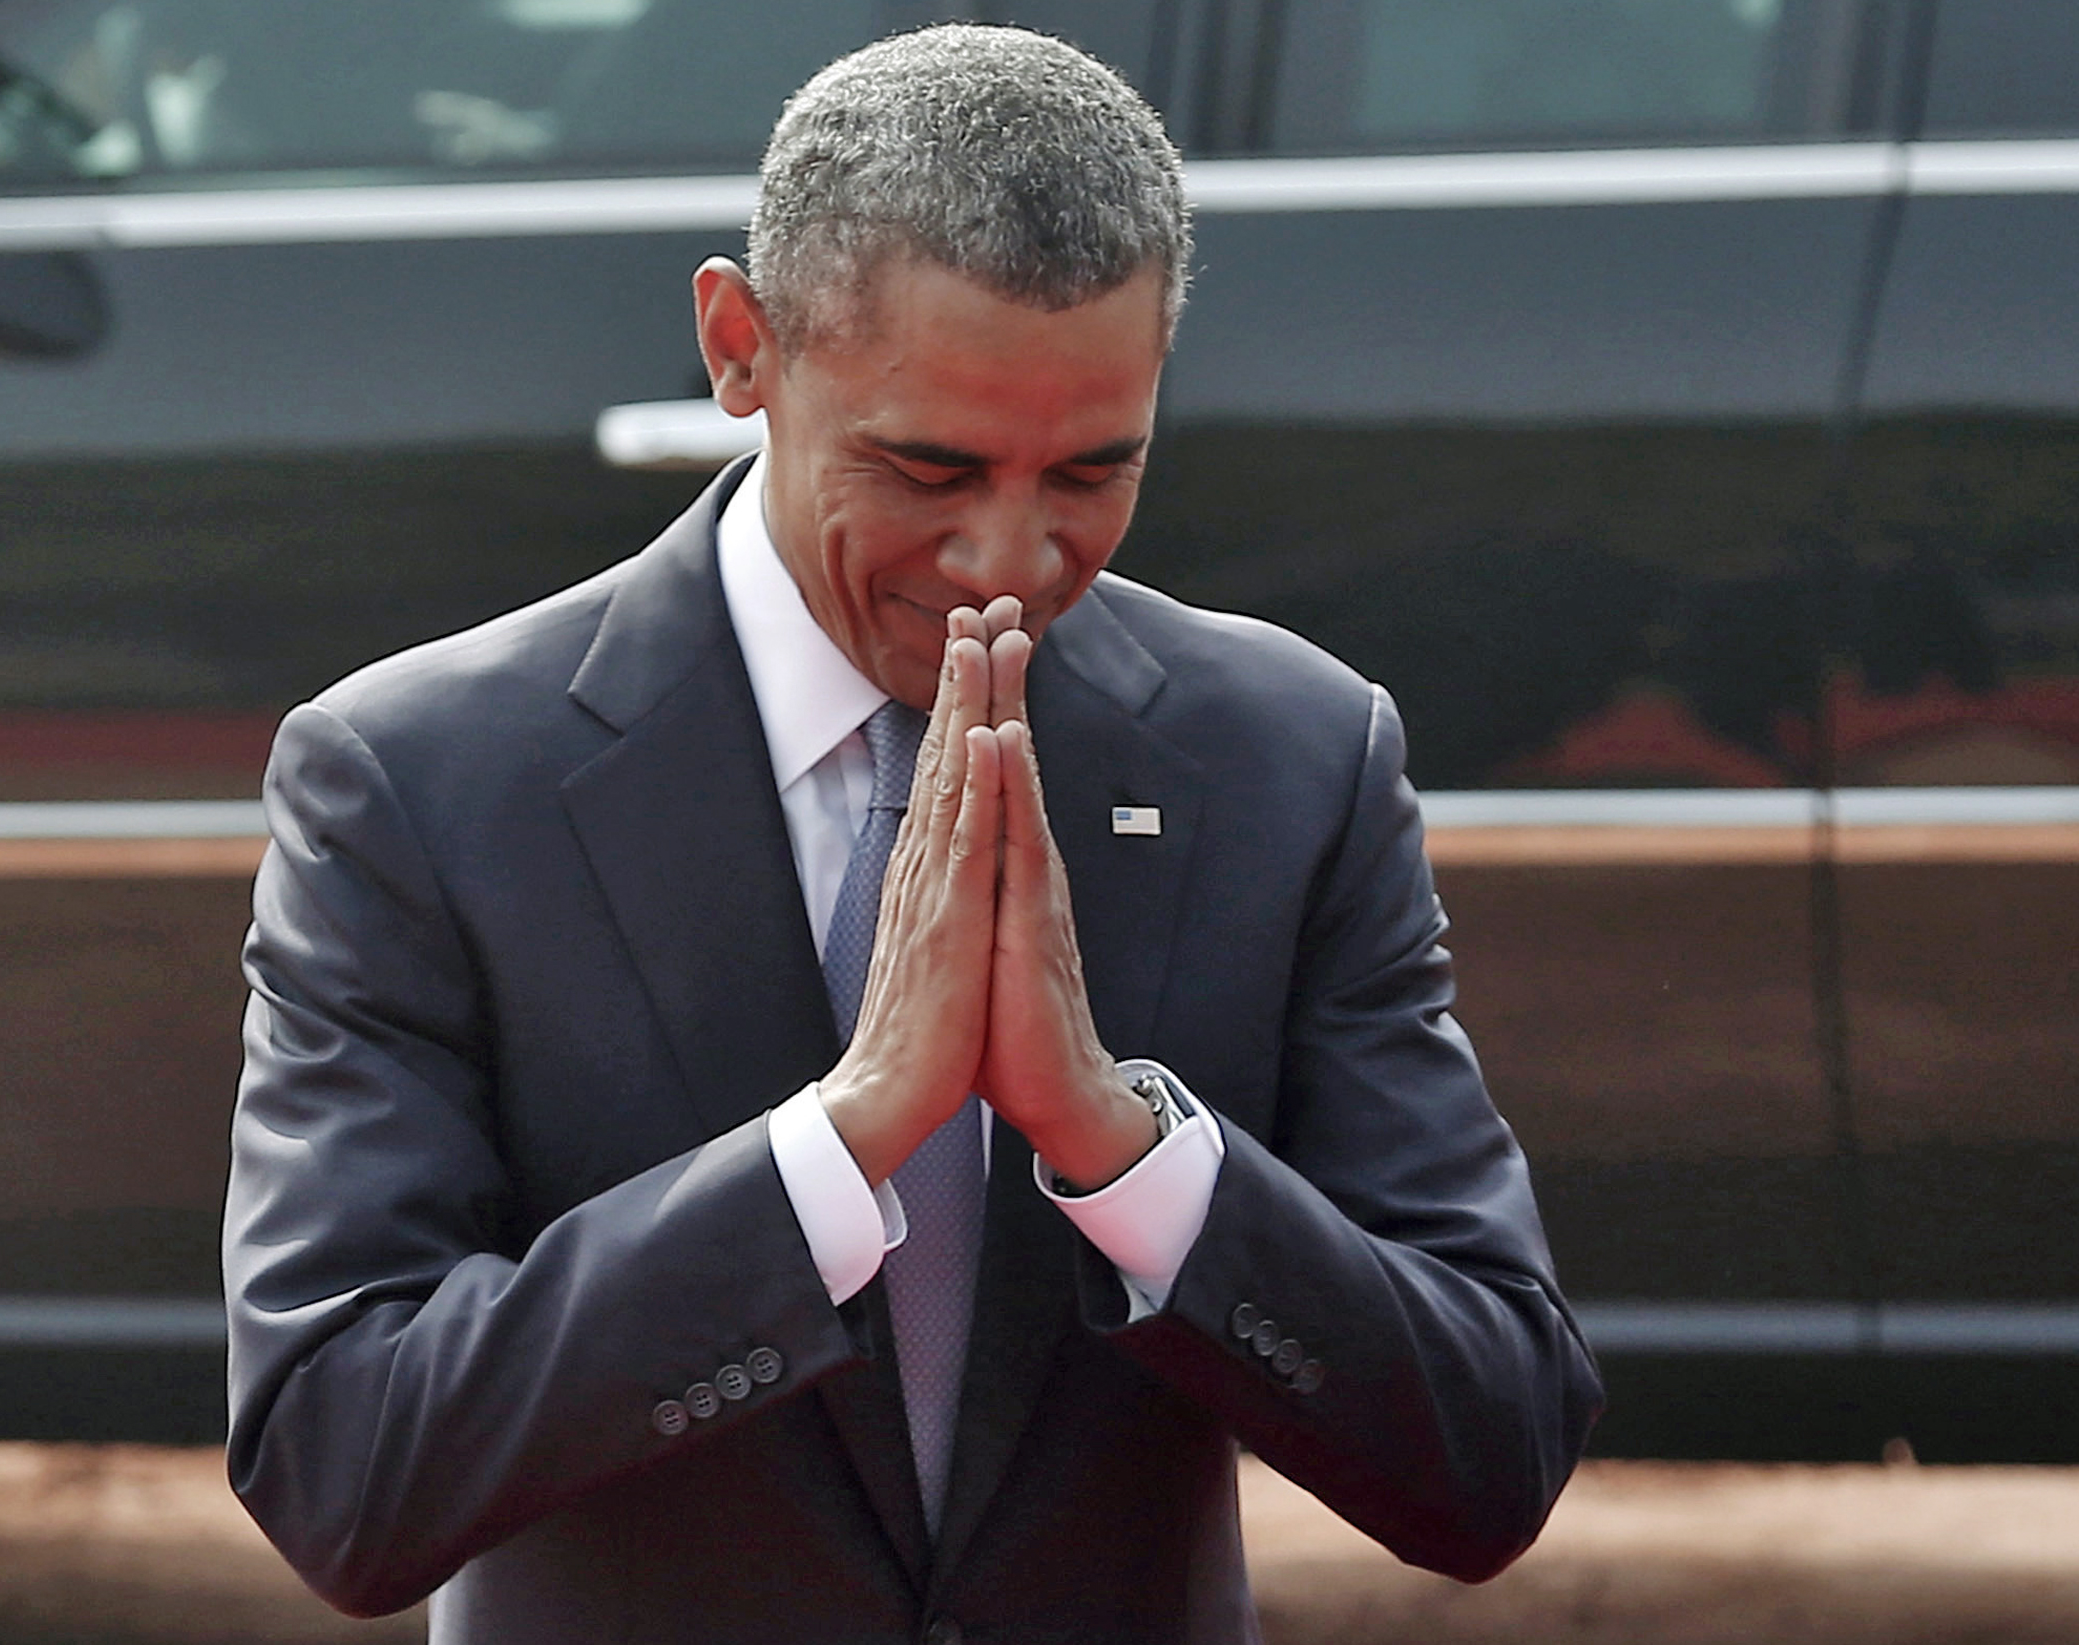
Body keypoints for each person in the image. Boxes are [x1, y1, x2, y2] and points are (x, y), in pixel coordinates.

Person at [223, 24, 1601, 1644]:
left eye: (1095, 469)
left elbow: (1492, 1451)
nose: (1010, 557)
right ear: (741, 349)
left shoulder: (1291, 759)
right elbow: (340, 1466)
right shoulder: (423, 781)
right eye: (925, 464)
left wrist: (1124, 1149)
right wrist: (842, 1141)